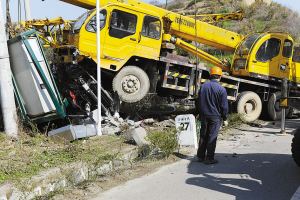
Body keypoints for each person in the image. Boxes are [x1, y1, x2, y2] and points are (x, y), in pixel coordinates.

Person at [197, 66, 228, 165]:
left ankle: (200, 156)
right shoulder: (221, 89)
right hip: (215, 116)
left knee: (203, 135)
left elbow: (198, 101)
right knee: (212, 136)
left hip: (204, 115)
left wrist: (199, 113)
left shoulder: (203, 86)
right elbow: (224, 107)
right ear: (220, 77)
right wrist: (225, 118)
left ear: (210, 75)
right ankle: (209, 158)